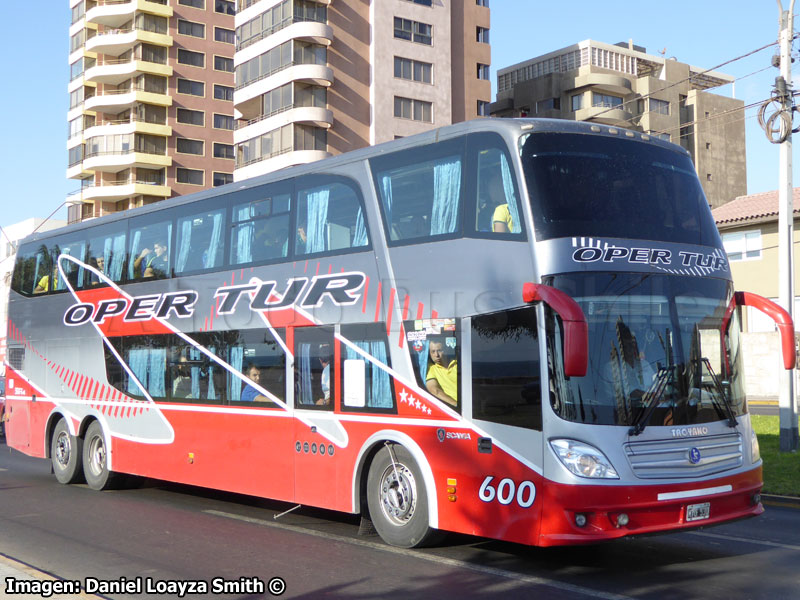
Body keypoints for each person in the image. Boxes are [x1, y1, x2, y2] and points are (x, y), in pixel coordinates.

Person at [425, 338, 457, 407]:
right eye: (433, 352)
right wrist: (455, 404)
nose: (436, 355)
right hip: (453, 409)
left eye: (439, 351)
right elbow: (434, 390)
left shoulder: (457, 364)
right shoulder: (431, 369)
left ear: (445, 350)